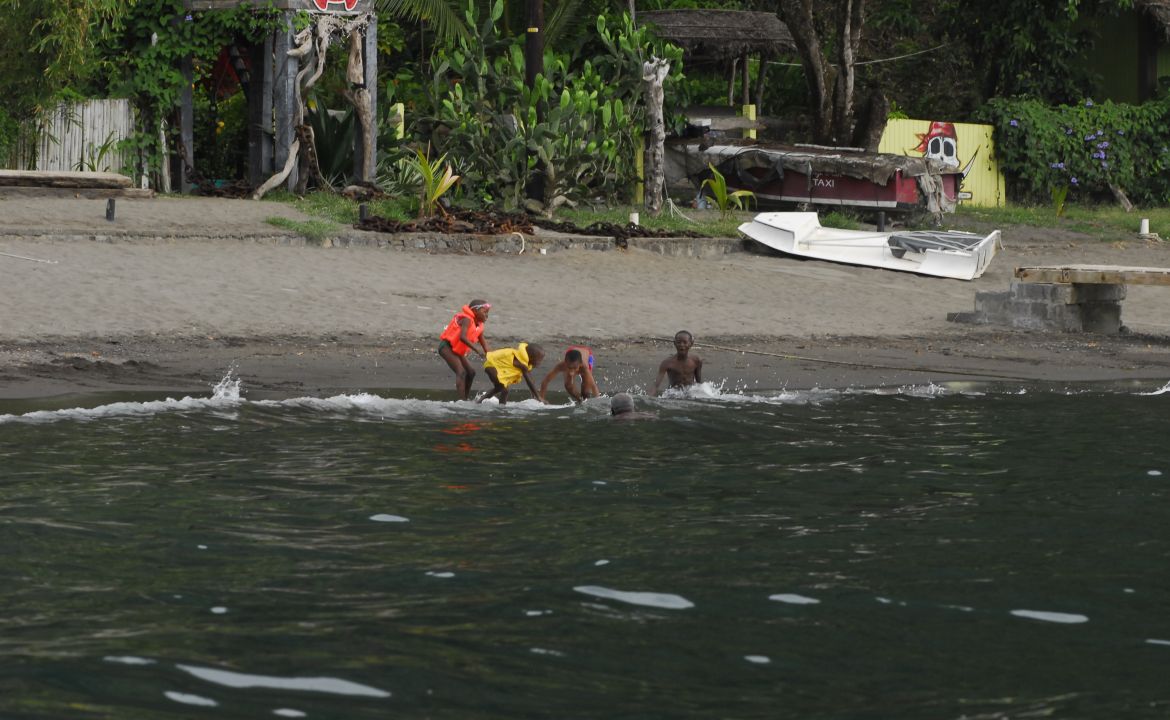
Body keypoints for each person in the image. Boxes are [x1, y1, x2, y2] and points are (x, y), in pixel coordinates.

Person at [438, 300, 491, 400]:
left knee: (471, 372)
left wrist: (492, 358)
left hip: (457, 350)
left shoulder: (479, 326)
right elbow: (462, 337)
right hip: (446, 347)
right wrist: (477, 350)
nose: (487, 315)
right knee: (461, 372)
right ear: (475, 311)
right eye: (485, 312)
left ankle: (465, 399)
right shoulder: (467, 319)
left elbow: (485, 345)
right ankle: (461, 401)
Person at [479, 342, 545, 405]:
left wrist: (534, 394)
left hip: (498, 368)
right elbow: (528, 380)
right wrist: (538, 397)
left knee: (500, 388)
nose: (540, 362)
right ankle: (499, 408)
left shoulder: (525, 363)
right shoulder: (522, 364)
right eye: (539, 360)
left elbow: (530, 378)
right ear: (531, 358)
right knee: (504, 389)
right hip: (491, 366)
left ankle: (484, 402)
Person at [651, 330, 703, 395]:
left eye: (685, 342)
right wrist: (648, 398)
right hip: (673, 394)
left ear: (691, 343)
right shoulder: (667, 363)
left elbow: (699, 384)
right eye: (679, 342)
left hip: (690, 393)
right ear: (674, 343)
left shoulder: (696, 360)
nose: (681, 345)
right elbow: (656, 385)